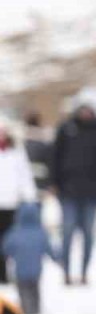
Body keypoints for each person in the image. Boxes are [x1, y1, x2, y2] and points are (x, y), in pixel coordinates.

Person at [52, 103, 96, 286]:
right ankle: (66, 272)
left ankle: (83, 273)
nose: (85, 113)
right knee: (67, 232)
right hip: (67, 192)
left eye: (88, 110)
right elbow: (55, 157)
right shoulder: (65, 129)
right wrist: (53, 184)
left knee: (88, 235)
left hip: (92, 193)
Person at [2, 203, 57, 314]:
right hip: (36, 271)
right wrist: (57, 258)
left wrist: (8, 255)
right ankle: (35, 309)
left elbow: (6, 249)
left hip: (20, 271)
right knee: (34, 290)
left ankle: (26, 309)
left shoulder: (14, 233)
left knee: (23, 291)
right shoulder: (41, 233)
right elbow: (49, 249)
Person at [0, 122, 38, 285]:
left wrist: (30, 197)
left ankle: (10, 270)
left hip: (12, 204)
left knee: (9, 239)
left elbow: (25, 176)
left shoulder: (17, 153)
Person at [22, 112, 53, 201]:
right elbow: (50, 161)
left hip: (26, 180)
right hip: (40, 180)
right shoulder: (45, 140)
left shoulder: (22, 139)